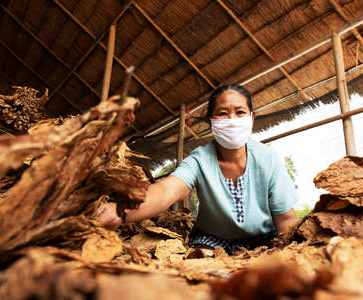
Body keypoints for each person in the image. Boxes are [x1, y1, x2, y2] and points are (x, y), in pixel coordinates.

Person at [97, 85, 299, 254]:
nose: (231, 120)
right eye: (222, 113)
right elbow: (167, 191)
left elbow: (286, 218)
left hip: (262, 239)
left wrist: (290, 246)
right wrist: (120, 211)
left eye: (239, 112)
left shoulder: (268, 159)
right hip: (212, 240)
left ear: (252, 118)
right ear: (211, 121)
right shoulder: (200, 160)